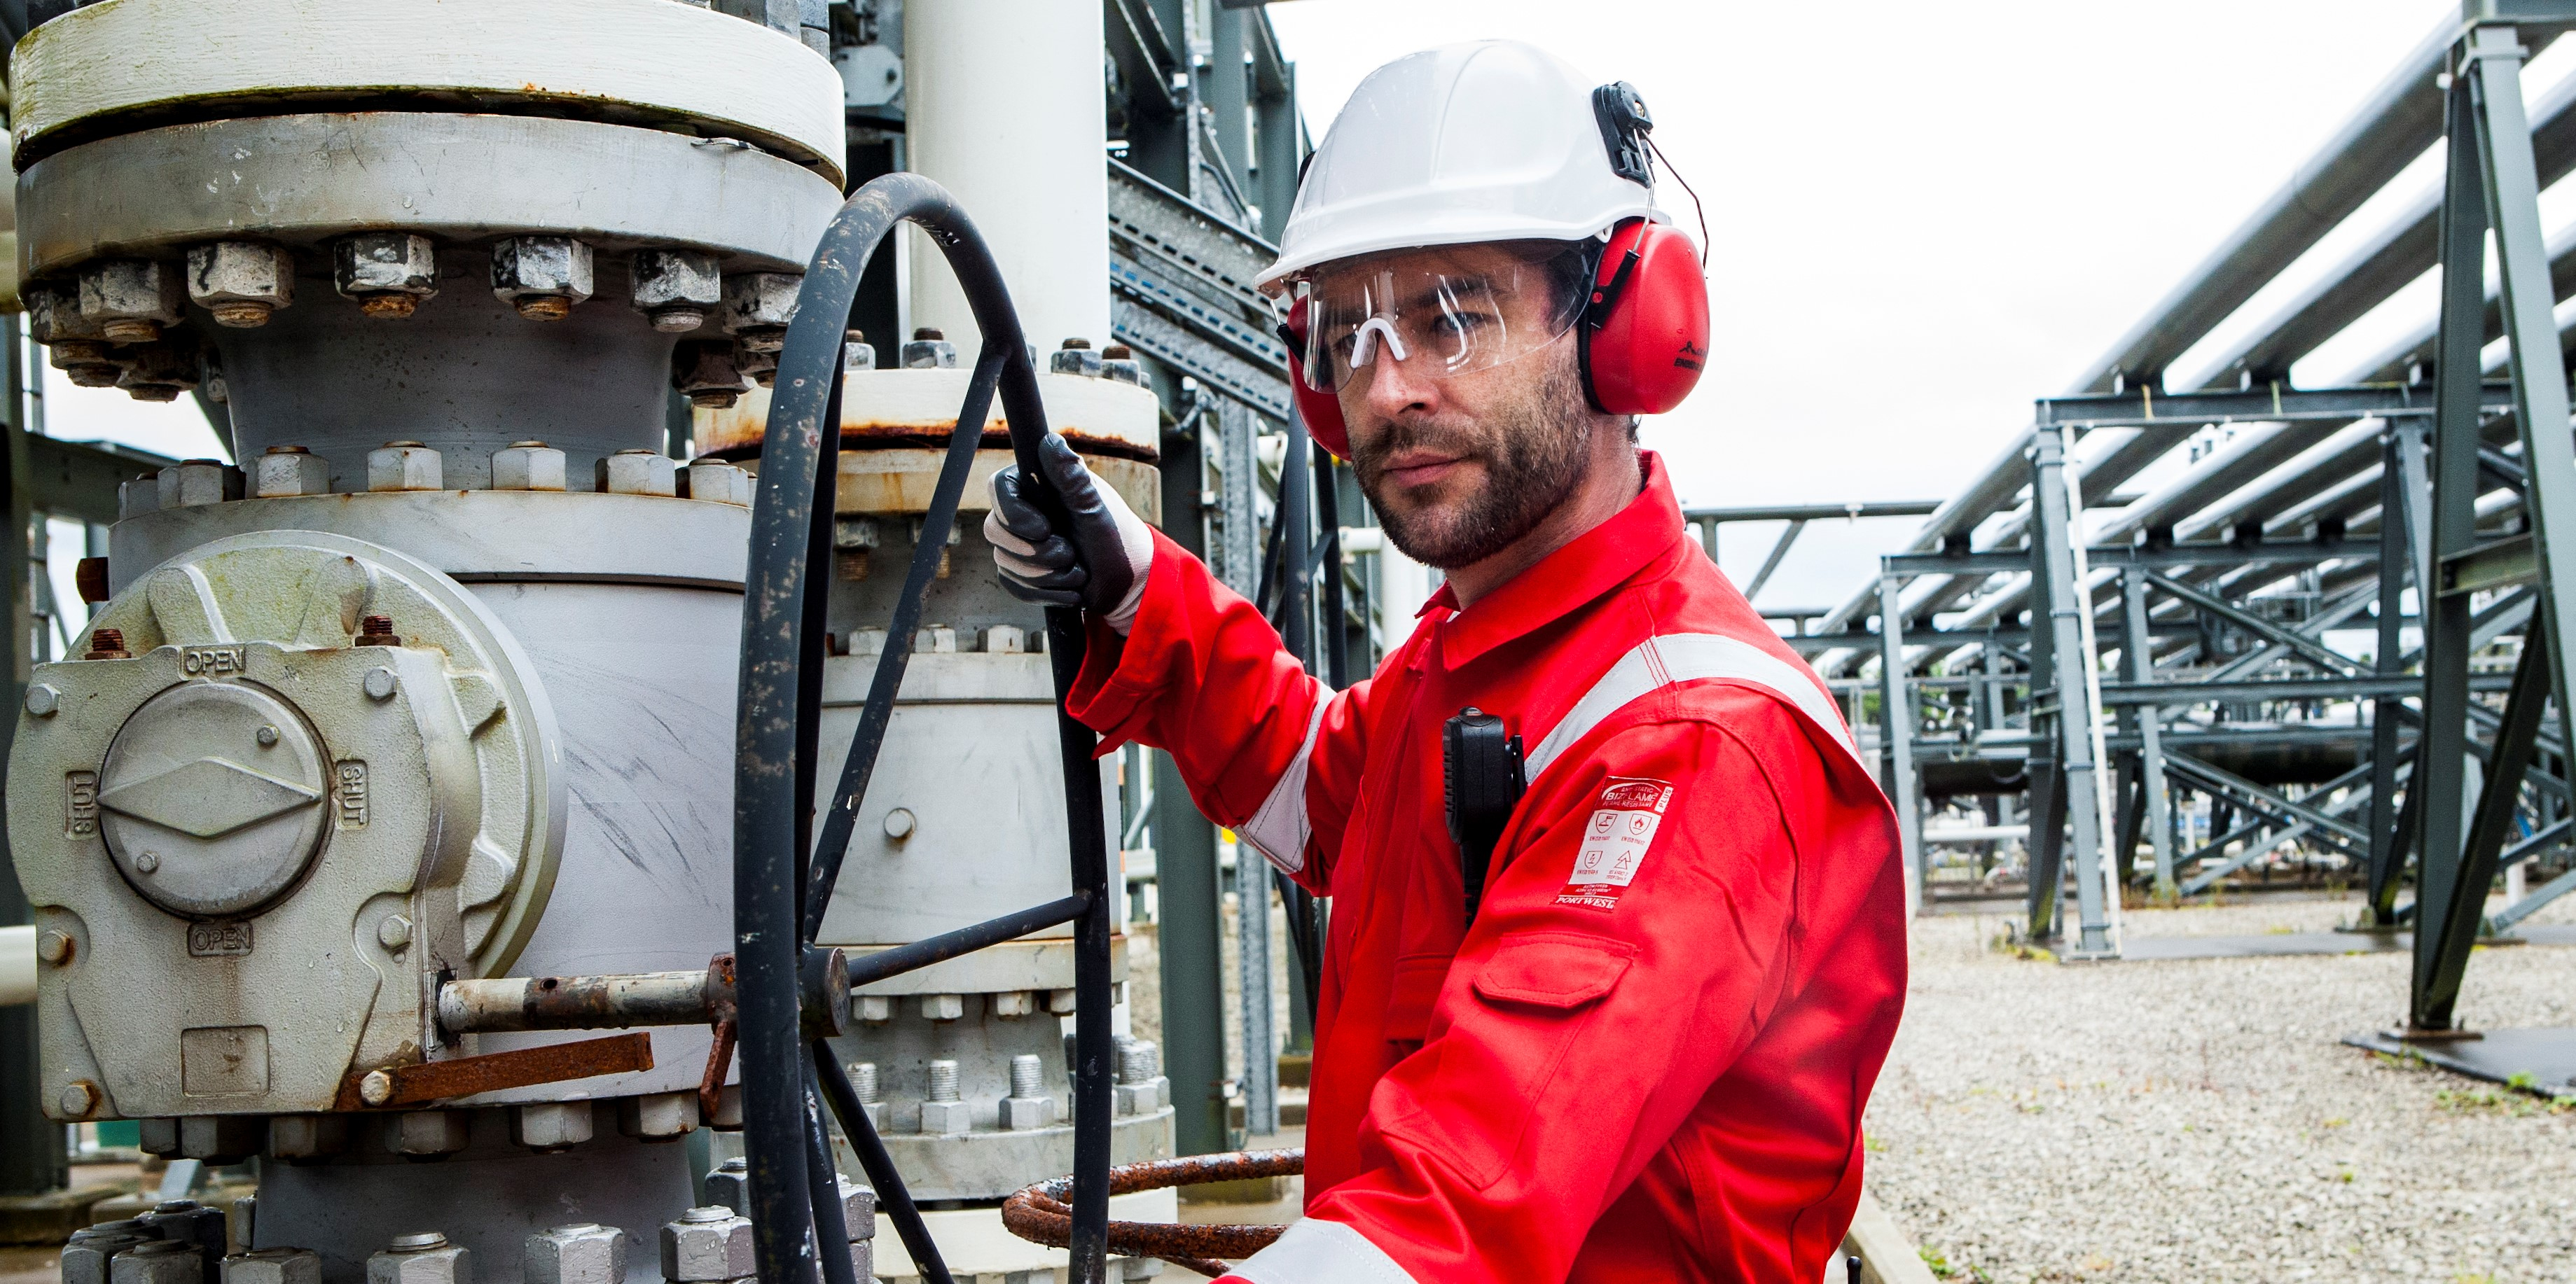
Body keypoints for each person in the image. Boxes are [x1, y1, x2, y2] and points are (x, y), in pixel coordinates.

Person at [986, 39, 1907, 1284]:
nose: (1391, 386)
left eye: (1451, 317)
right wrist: (1136, 591)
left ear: (1622, 329)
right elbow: (1324, 787)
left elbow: (1450, 1216)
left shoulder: (1690, 741)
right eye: (1350, 336)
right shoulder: (1476, 656)